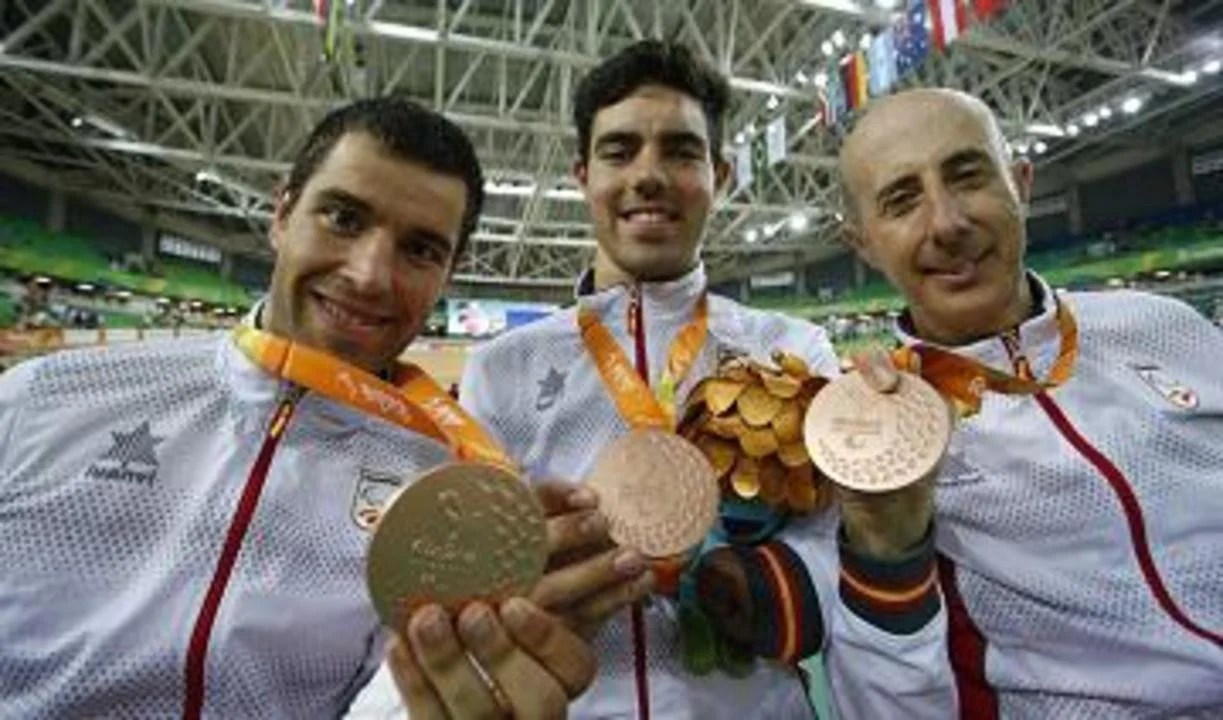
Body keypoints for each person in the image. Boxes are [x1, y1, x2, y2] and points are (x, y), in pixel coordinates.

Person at [0, 97, 596, 718]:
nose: (369, 276)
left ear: (449, 272)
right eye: (343, 218)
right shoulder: (40, 400)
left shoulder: (445, 495)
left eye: (420, 250)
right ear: (282, 214)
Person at [456, 41, 951, 718]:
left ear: (718, 174)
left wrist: (771, 584)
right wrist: (521, 588)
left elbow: (843, 539)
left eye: (681, 152)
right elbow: (469, 569)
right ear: (582, 175)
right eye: (619, 151)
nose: (648, 175)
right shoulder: (500, 368)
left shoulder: (790, 349)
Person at [836, 87, 1223, 716]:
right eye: (902, 200)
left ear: (1019, 183)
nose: (947, 223)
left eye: (968, 175)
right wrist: (883, 551)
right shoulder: (874, 430)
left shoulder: (1164, 324)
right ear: (863, 244)